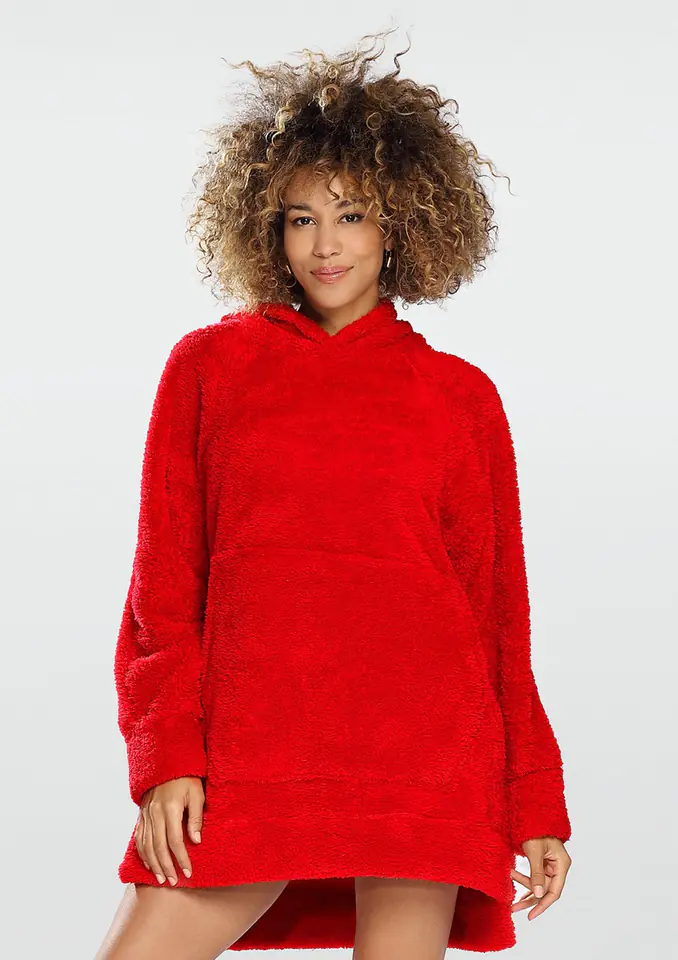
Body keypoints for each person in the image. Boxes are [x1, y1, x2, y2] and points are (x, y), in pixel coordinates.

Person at [96, 28, 572, 960]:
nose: (325, 245)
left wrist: (534, 801)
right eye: (299, 217)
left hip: (426, 758)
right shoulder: (209, 368)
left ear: (402, 222)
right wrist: (167, 760)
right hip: (253, 753)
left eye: (351, 215)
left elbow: (496, 615)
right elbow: (163, 588)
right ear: (267, 229)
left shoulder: (460, 397)